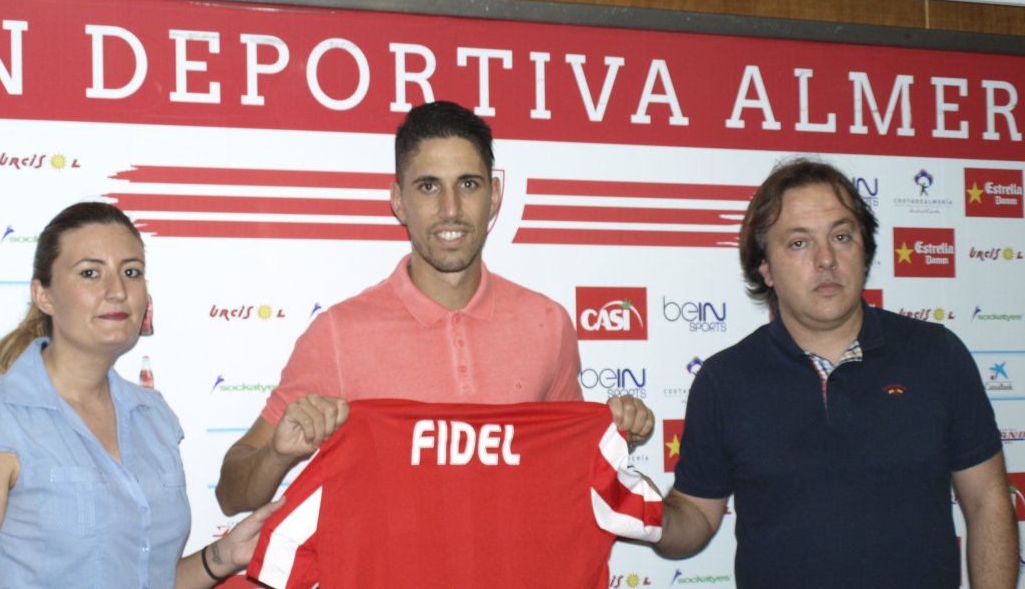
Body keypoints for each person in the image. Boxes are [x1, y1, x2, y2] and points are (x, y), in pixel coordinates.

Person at [216, 100, 655, 515]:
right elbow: (232, 494)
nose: (451, 210)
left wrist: (617, 433)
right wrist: (276, 455)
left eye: (468, 184)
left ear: (495, 196)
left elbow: (567, 467)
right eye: (429, 187)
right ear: (398, 200)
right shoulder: (337, 333)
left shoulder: (548, 324)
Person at [653, 158, 1017, 587]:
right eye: (799, 243)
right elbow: (694, 517)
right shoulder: (724, 380)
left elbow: (986, 501)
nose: (826, 259)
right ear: (765, 268)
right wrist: (635, 503)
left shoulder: (937, 354)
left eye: (841, 236)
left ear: (865, 250)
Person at [0, 202, 282, 589]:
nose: (118, 291)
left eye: (131, 272)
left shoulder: (154, 417)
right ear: (44, 296)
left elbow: (146, 580)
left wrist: (221, 557)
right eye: (91, 273)